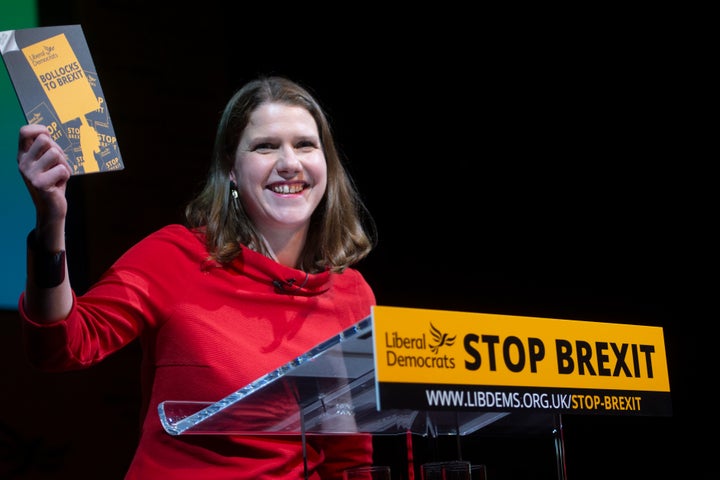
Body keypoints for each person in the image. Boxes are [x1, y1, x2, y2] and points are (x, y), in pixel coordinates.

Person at [16, 76, 378, 479]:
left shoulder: (351, 295)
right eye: (265, 146)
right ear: (231, 171)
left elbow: (352, 461)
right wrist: (52, 221)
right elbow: (62, 345)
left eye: (305, 145)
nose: (289, 162)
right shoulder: (176, 257)